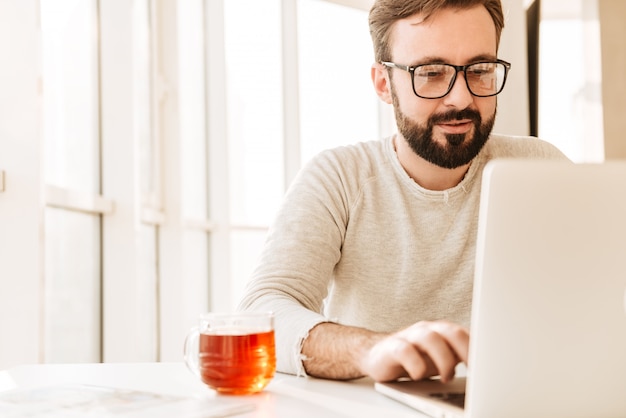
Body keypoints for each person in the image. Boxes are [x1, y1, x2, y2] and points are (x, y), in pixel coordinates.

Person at [237, 0, 568, 383]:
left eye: (479, 70)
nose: (461, 98)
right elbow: (263, 309)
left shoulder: (541, 168)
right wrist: (372, 350)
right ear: (384, 84)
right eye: (430, 73)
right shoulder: (340, 177)